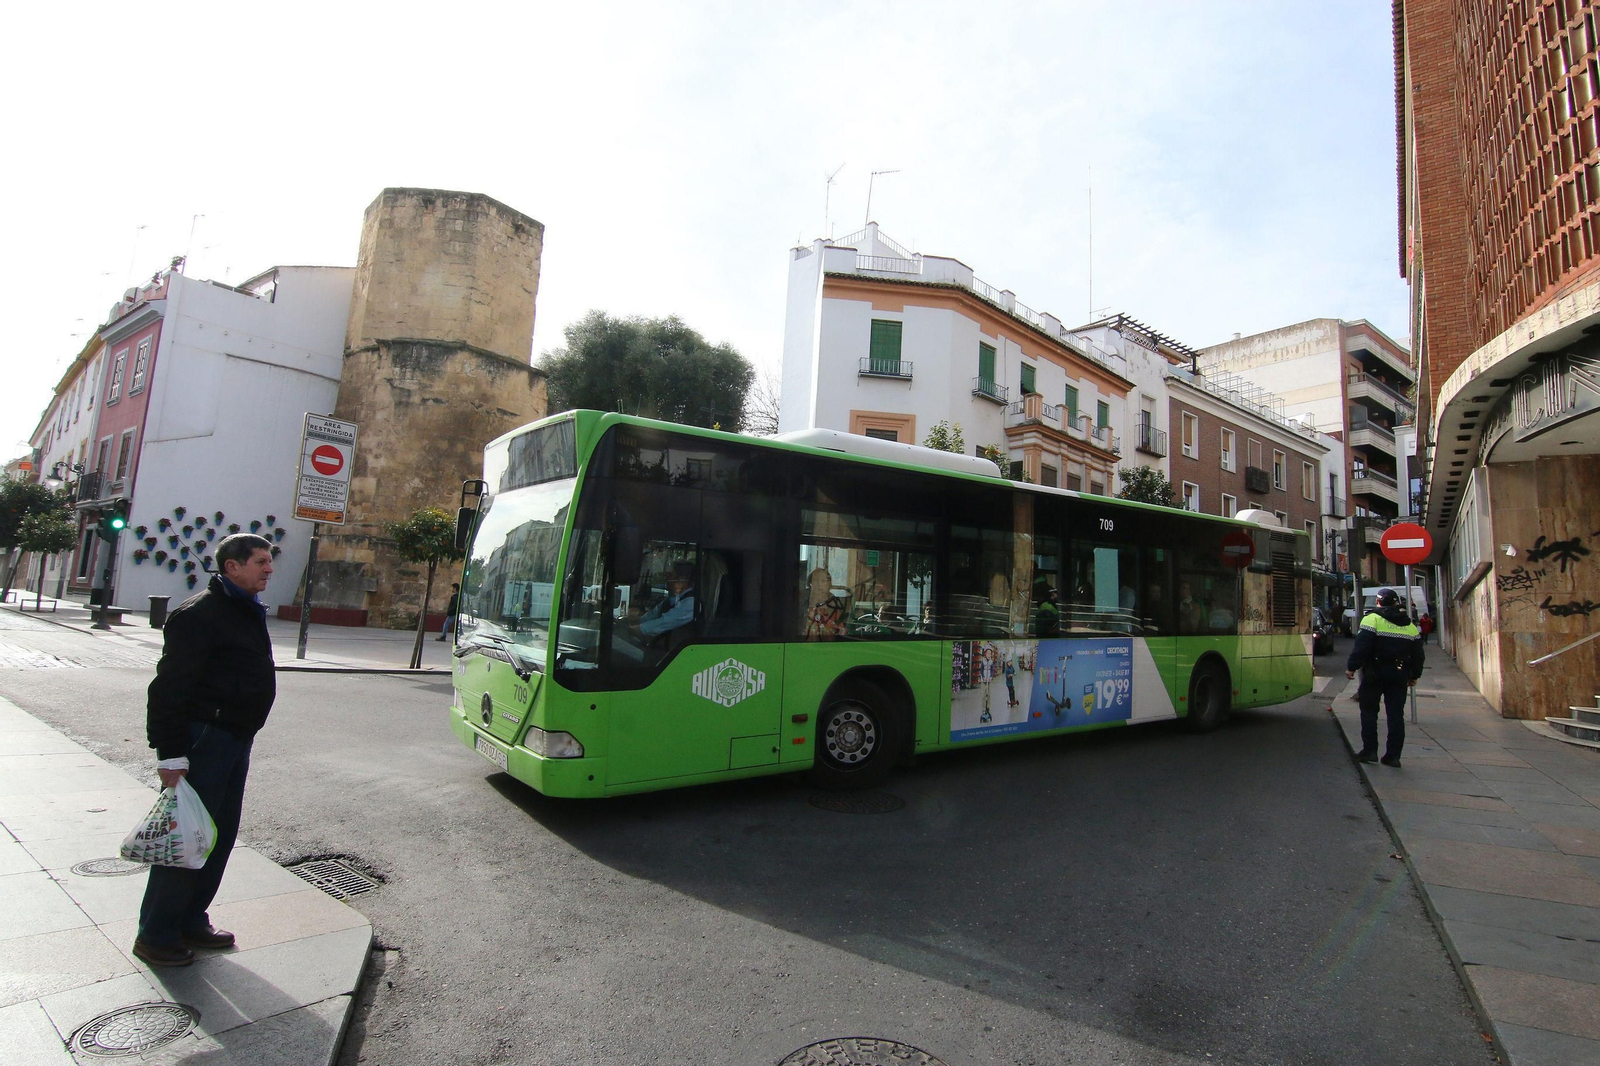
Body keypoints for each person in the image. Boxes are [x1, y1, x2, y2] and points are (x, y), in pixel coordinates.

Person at [133, 534, 276, 967]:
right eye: (260, 562)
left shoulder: (243, 608)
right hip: (205, 738)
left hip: (235, 738)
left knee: (217, 835)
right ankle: (156, 934)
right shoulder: (200, 614)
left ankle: (191, 919)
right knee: (186, 836)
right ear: (232, 567)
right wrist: (171, 752)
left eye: (269, 561)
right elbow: (168, 689)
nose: (269, 569)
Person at [1345, 587, 1425, 768]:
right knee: (1396, 715)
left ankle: (1370, 750)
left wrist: (1352, 667)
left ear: (1378, 602)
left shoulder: (1371, 619)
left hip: (1374, 672)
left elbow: (1362, 646)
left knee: (1369, 712)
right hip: (1399, 674)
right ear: (1396, 603)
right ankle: (1393, 756)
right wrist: (1414, 675)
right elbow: (1418, 654)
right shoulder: (1409, 625)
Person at [637, 559, 696, 639]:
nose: (667, 578)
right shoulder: (672, 600)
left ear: (682, 580)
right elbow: (649, 617)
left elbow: (661, 624)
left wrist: (634, 630)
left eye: (671, 575)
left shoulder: (691, 604)